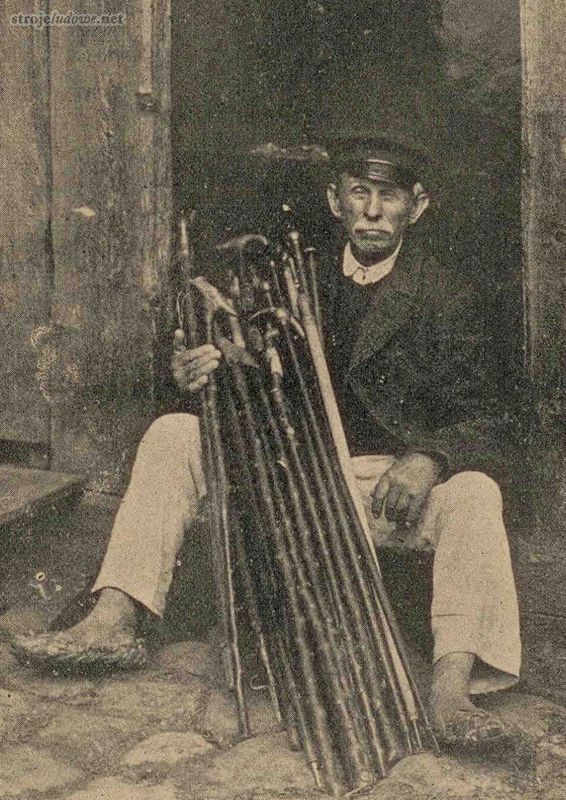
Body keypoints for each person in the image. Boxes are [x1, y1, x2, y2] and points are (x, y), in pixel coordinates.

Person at [14, 135, 522, 752]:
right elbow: (250, 376)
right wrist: (203, 370)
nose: (370, 212)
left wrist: (427, 459)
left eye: (387, 197)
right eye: (358, 193)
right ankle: (114, 619)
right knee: (174, 433)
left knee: (474, 493)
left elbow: (496, 421)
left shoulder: (449, 295)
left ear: (416, 207)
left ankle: (450, 691)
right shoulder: (288, 280)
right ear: (336, 201)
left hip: (385, 493)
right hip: (291, 480)